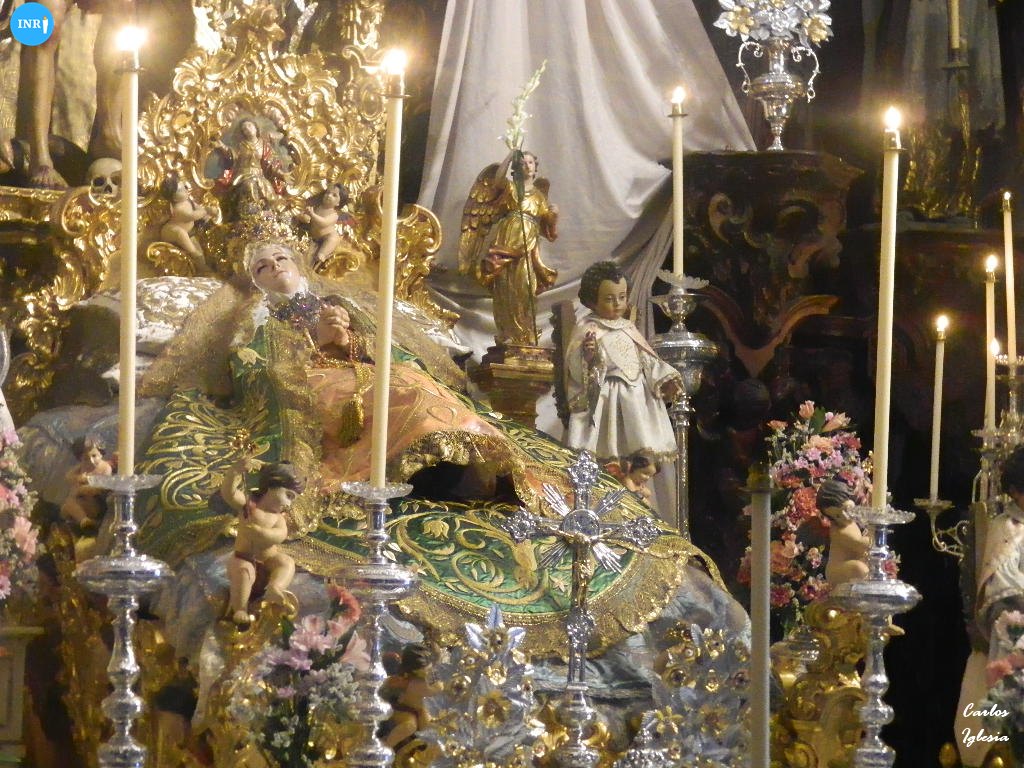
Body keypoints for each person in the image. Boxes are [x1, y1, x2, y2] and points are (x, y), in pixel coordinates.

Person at [133, 239, 712, 656]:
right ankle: (412, 470)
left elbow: (392, 350)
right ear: (254, 279)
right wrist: (313, 345)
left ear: (299, 262)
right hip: (314, 386)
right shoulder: (260, 320)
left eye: (282, 258)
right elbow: (255, 372)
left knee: (414, 385)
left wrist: (349, 336)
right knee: (381, 398)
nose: (275, 269)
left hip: (368, 371)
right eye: (262, 266)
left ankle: (467, 464)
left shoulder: (341, 301)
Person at [564, 261, 682, 465]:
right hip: (607, 396)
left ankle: (634, 475)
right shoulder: (588, 328)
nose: (618, 304)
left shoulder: (628, 327)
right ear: (592, 301)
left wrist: (665, 376)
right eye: (609, 299)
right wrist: (588, 356)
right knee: (608, 448)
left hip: (638, 397)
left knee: (639, 446)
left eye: (622, 297)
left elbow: (646, 358)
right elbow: (575, 368)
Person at [460, 150, 559, 347]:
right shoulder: (510, 188)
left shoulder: (539, 196)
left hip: (527, 245)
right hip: (507, 239)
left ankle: (525, 335)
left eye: (530, 163)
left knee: (525, 288)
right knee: (505, 287)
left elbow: (548, 224)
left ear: (535, 168)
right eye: (522, 163)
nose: (526, 166)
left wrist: (554, 214)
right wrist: (510, 155)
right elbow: (497, 181)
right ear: (515, 169)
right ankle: (507, 333)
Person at [220, 458, 302, 626]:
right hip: (244, 558)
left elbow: (280, 535)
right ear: (272, 486)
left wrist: (262, 533)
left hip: (267, 562)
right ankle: (240, 609)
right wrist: (234, 472)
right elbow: (229, 493)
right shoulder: (249, 505)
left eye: (292, 499)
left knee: (286, 562)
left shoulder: (278, 518)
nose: (289, 504)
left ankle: (275, 587)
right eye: (288, 495)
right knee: (244, 573)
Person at [209, 117, 290, 218]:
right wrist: (221, 146)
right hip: (243, 175)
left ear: (256, 128)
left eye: (249, 126)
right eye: (244, 129)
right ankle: (252, 215)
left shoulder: (265, 146)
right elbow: (232, 155)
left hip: (260, 176)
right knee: (249, 185)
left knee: (268, 188)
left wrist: (282, 174)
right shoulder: (241, 145)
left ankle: (268, 215)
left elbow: (271, 164)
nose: (247, 129)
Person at [815, 478, 870, 588]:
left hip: (849, 563)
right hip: (837, 571)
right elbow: (861, 545)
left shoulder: (850, 522)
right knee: (860, 569)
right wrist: (876, 529)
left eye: (846, 509)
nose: (845, 516)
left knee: (865, 567)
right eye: (837, 516)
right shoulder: (840, 531)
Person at [60, 435, 112, 532]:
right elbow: (68, 476)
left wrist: (84, 487)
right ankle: (84, 520)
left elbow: (103, 486)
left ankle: (86, 521)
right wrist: (78, 477)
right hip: (81, 500)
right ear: (80, 459)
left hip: (95, 501)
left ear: (101, 454)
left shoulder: (105, 467)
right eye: (86, 458)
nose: (91, 461)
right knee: (68, 505)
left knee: (70, 506)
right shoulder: (82, 466)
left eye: (94, 456)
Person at [296, 183, 356, 266]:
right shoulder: (317, 207)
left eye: (334, 195)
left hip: (325, 235)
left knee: (333, 238)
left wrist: (312, 215)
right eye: (328, 193)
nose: (329, 196)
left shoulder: (334, 215)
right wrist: (304, 217)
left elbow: (323, 223)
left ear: (338, 203)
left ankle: (322, 253)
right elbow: (306, 215)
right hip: (313, 234)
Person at [158, 173, 214, 263]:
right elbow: (191, 216)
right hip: (170, 231)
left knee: (199, 249)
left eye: (184, 187)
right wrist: (206, 211)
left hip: (189, 233)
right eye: (180, 190)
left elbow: (198, 208)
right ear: (174, 198)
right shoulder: (178, 209)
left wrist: (206, 213)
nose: (185, 190)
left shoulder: (188, 201)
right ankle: (194, 254)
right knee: (181, 234)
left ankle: (200, 261)